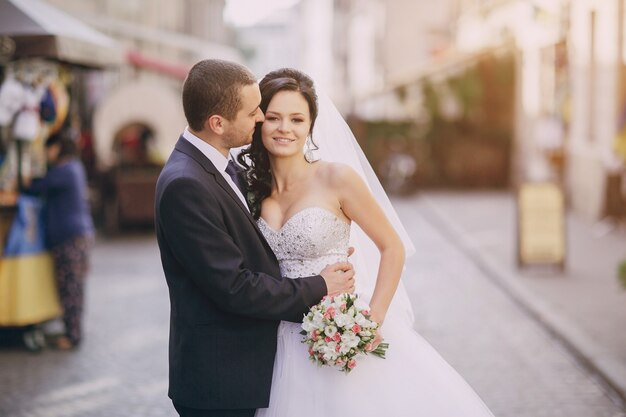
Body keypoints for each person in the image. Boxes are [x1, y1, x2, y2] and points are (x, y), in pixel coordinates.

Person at [238, 68, 495, 417]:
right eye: (274, 118)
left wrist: (370, 321)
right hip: (280, 337)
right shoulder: (251, 189)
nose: (285, 128)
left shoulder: (336, 178)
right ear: (258, 121)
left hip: (337, 329)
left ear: (311, 124)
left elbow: (393, 246)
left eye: (297, 119)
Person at [154, 59, 356, 417]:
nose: (262, 118)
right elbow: (234, 286)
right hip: (219, 380)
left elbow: (255, 246)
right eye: (253, 112)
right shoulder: (186, 184)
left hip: (259, 365)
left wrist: (320, 246)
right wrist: (319, 284)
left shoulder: (221, 164)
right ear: (217, 123)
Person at [25, 131, 94, 350]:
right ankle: (71, 332)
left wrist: (26, 179)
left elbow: (36, 188)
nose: (46, 153)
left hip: (70, 237)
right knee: (73, 286)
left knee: (71, 287)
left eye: (48, 148)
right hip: (76, 235)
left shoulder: (64, 171)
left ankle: (73, 336)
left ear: (56, 148)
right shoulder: (73, 167)